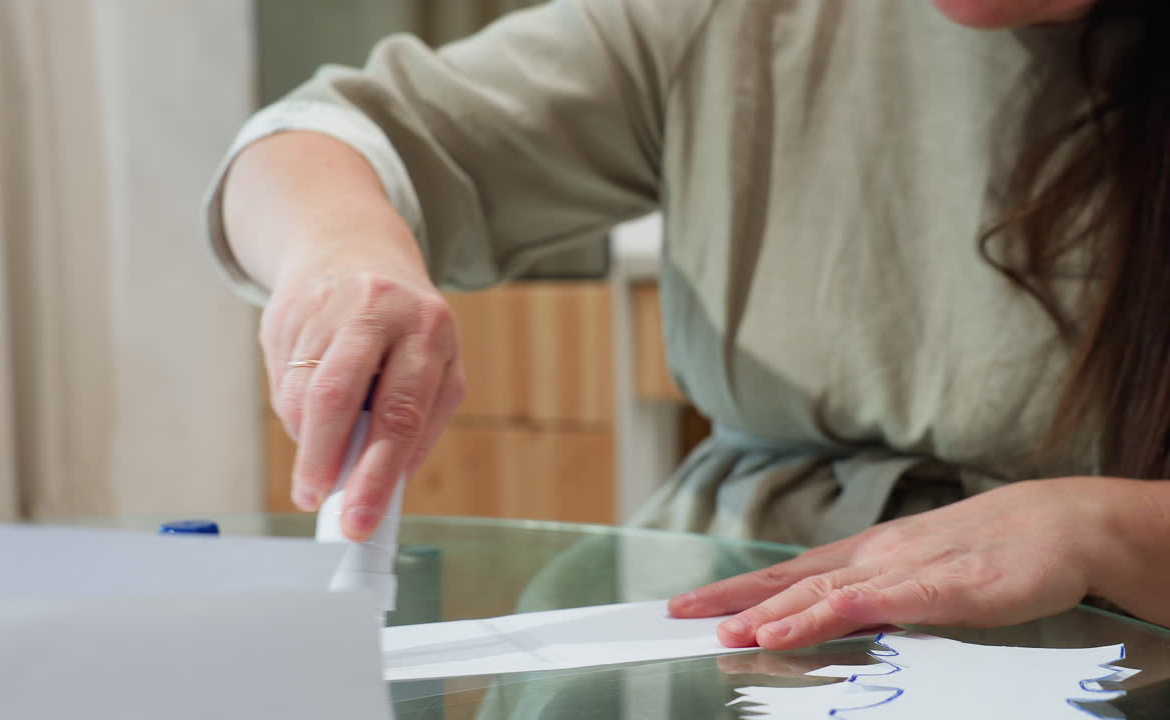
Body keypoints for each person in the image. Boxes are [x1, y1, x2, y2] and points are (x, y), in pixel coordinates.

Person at [206, 0, 1170, 650]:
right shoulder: (724, 21)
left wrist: (1120, 530)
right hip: (722, 633)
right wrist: (341, 256)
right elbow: (319, 138)